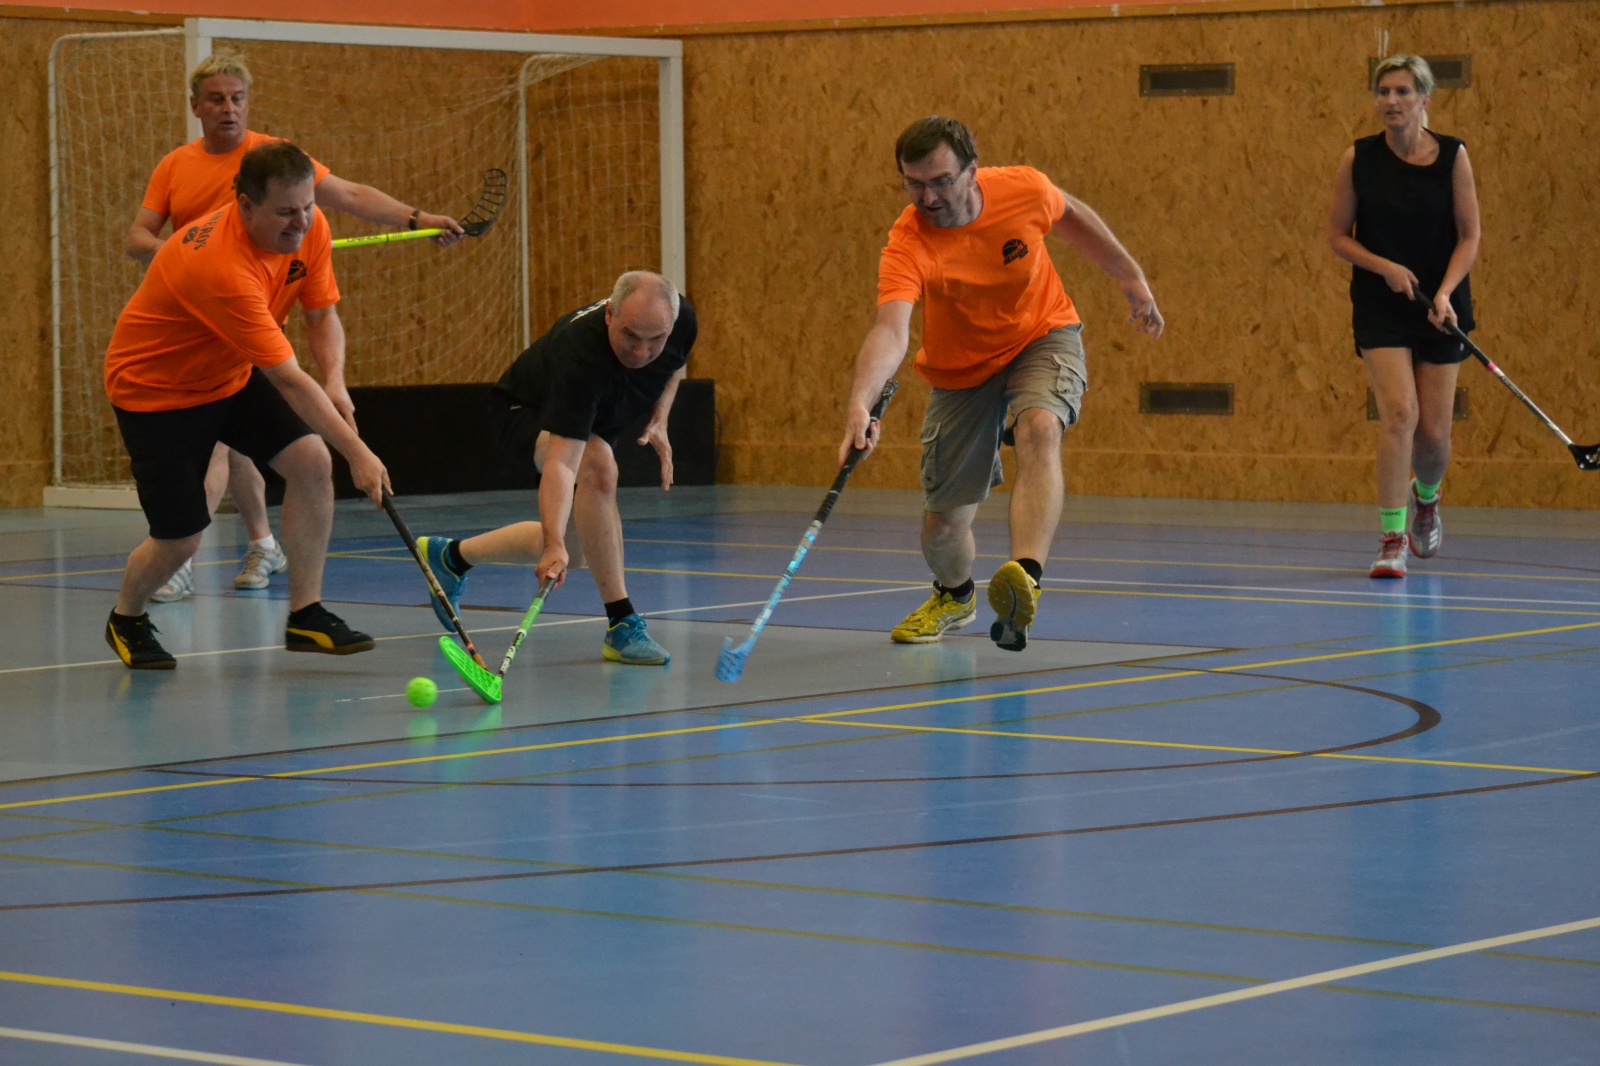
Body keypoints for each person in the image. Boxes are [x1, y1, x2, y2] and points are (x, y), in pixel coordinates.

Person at [124, 53, 463, 602]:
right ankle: (196, 552)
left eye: (237, 98)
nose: (228, 108)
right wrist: (185, 261)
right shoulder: (175, 166)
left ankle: (268, 563)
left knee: (268, 451)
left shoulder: (277, 160)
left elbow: (349, 197)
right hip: (198, 327)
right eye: (216, 99)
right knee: (224, 453)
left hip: (252, 333)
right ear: (195, 107)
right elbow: (138, 237)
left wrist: (416, 218)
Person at [838, 116, 1163, 652]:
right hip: (961, 371)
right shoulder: (908, 242)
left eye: (941, 181)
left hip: (1042, 334)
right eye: (914, 184)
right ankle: (955, 595)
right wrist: (860, 401)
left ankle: (1024, 578)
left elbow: (1071, 214)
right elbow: (891, 330)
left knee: (1040, 427)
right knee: (942, 529)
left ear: (972, 171)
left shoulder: (1022, 189)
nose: (928, 197)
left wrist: (1131, 277)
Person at [103, 141, 391, 670]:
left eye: (307, 206)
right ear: (245, 206)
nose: (300, 222)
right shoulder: (221, 267)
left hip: (229, 371)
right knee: (181, 539)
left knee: (311, 462)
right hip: (157, 391)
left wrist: (336, 380)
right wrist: (359, 452)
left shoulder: (309, 228)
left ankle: (306, 614)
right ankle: (127, 617)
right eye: (285, 212)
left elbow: (321, 314)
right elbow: (288, 381)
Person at [418, 272, 693, 665]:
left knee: (579, 551)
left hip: (594, 420)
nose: (640, 351)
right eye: (631, 336)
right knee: (597, 466)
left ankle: (451, 557)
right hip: (525, 411)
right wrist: (551, 546)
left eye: (655, 339)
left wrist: (661, 417)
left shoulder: (681, 321)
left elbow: (674, 364)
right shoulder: (579, 352)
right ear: (610, 314)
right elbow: (563, 464)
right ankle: (622, 622)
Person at [1328, 55, 1480, 579]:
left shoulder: (1453, 155)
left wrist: (1446, 293)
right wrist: (1385, 267)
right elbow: (1338, 237)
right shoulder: (1359, 158)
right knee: (1398, 413)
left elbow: (1470, 236)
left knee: (1433, 438)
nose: (1391, 101)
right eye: (1383, 91)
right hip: (1382, 303)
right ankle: (1391, 540)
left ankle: (1427, 497)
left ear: (1424, 99)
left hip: (1440, 305)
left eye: (1402, 92)